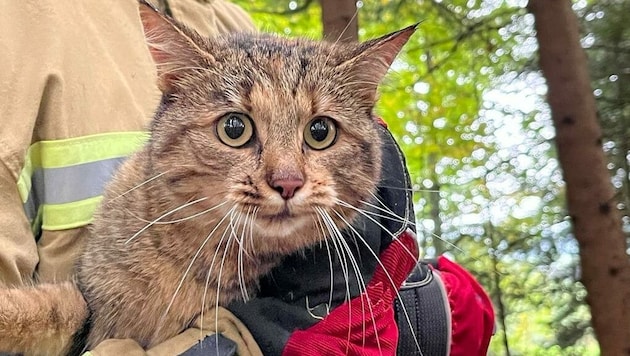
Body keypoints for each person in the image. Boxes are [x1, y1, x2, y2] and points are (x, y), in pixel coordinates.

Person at [0, 1, 495, 355]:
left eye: (319, 132)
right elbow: (78, 312)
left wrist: (430, 313)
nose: (286, 177)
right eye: (235, 128)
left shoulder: (231, 18)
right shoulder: (24, 20)